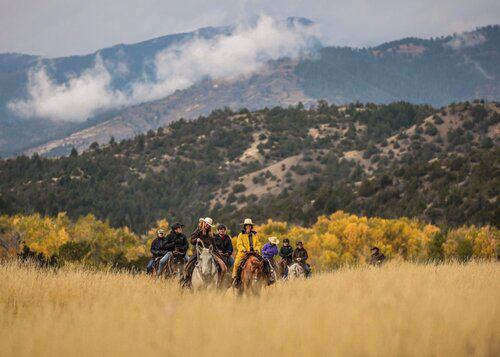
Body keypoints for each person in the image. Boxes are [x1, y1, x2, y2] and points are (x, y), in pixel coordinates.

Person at [232, 218, 263, 284]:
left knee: (263, 262)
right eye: (247, 225)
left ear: (251, 226)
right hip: (244, 253)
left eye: (249, 225)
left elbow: (258, 244)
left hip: (254, 253)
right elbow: (239, 244)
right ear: (245, 226)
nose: (248, 227)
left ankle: (265, 278)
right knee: (236, 264)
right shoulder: (241, 235)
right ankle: (236, 278)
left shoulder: (255, 235)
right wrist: (244, 249)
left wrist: (257, 249)